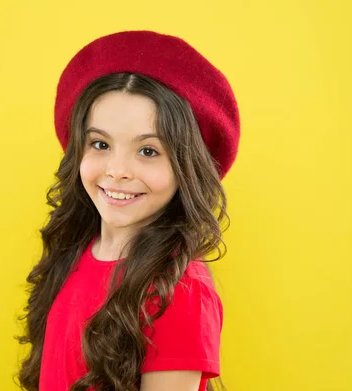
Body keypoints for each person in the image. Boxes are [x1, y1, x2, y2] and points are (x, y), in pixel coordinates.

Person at [16, 30, 241, 391]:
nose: (117, 170)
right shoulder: (74, 252)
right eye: (100, 144)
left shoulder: (179, 289)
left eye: (148, 150)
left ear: (186, 166)